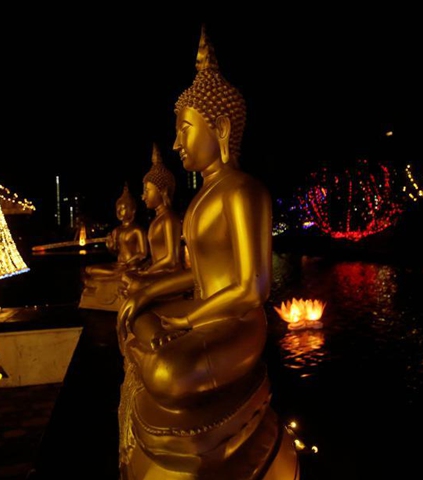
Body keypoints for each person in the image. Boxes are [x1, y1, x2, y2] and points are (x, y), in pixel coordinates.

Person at [116, 26, 298, 479]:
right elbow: (194, 274)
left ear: (219, 128)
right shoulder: (201, 200)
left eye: (184, 131)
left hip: (236, 321)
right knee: (135, 311)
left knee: (167, 374)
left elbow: (252, 290)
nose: (177, 143)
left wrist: (183, 320)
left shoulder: (244, 191)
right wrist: (144, 294)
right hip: (205, 308)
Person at [120, 143, 182, 296]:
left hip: (170, 274)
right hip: (157, 271)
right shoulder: (157, 219)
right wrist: (146, 268)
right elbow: (154, 256)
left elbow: (171, 259)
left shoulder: (169, 219)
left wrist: (147, 272)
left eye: (147, 191)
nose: (143, 196)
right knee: (126, 277)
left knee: (134, 285)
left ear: (163, 191)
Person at [84, 183, 148, 278]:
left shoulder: (137, 230)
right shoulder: (116, 231)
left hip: (131, 265)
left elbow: (143, 253)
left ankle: (117, 274)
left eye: (123, 208)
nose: (119, 211)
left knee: (116, 273)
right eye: (117, 209)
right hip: (118, 264)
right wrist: (110, 245)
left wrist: (128, 263)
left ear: (132, 210)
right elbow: (116, 251)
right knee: (89, 269)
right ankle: (116, 273)